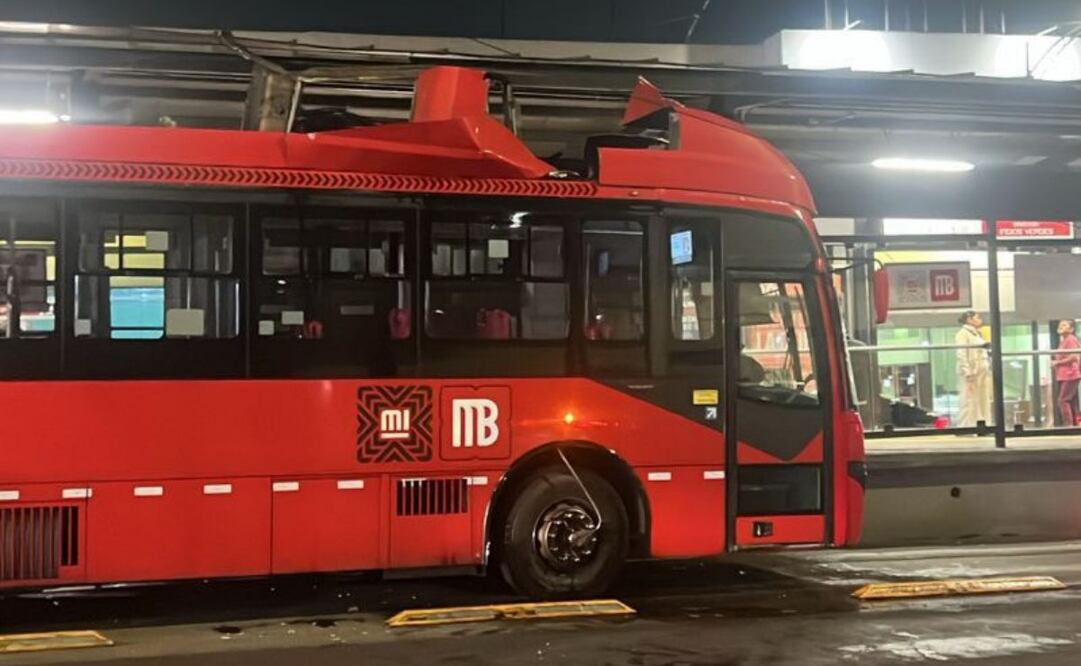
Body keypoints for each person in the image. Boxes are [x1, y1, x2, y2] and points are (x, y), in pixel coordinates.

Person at [955, 310, 991, 428]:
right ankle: (966, 426)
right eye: (977, 317)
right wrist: (967, 371)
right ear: (969, 319)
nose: (980, 319)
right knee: (969, 399)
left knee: (982, 399)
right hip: (972, 371)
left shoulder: (977, 334)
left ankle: (983, 424)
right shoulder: (963, 333)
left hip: (982, 369)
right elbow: (961, 353)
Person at [1052, 319, 1081, 427]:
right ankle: (1074, 425)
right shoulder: (1063, 341)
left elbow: (1074, 356)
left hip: (1070, 374)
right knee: (1070, 401)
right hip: (1065, 375)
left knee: (1063, 400)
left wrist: (1057, 362)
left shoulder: (1071, 340)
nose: (1061, 327)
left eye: (1064, 325)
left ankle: (1068, 425)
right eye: (1060, 325)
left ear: (1071, 329)